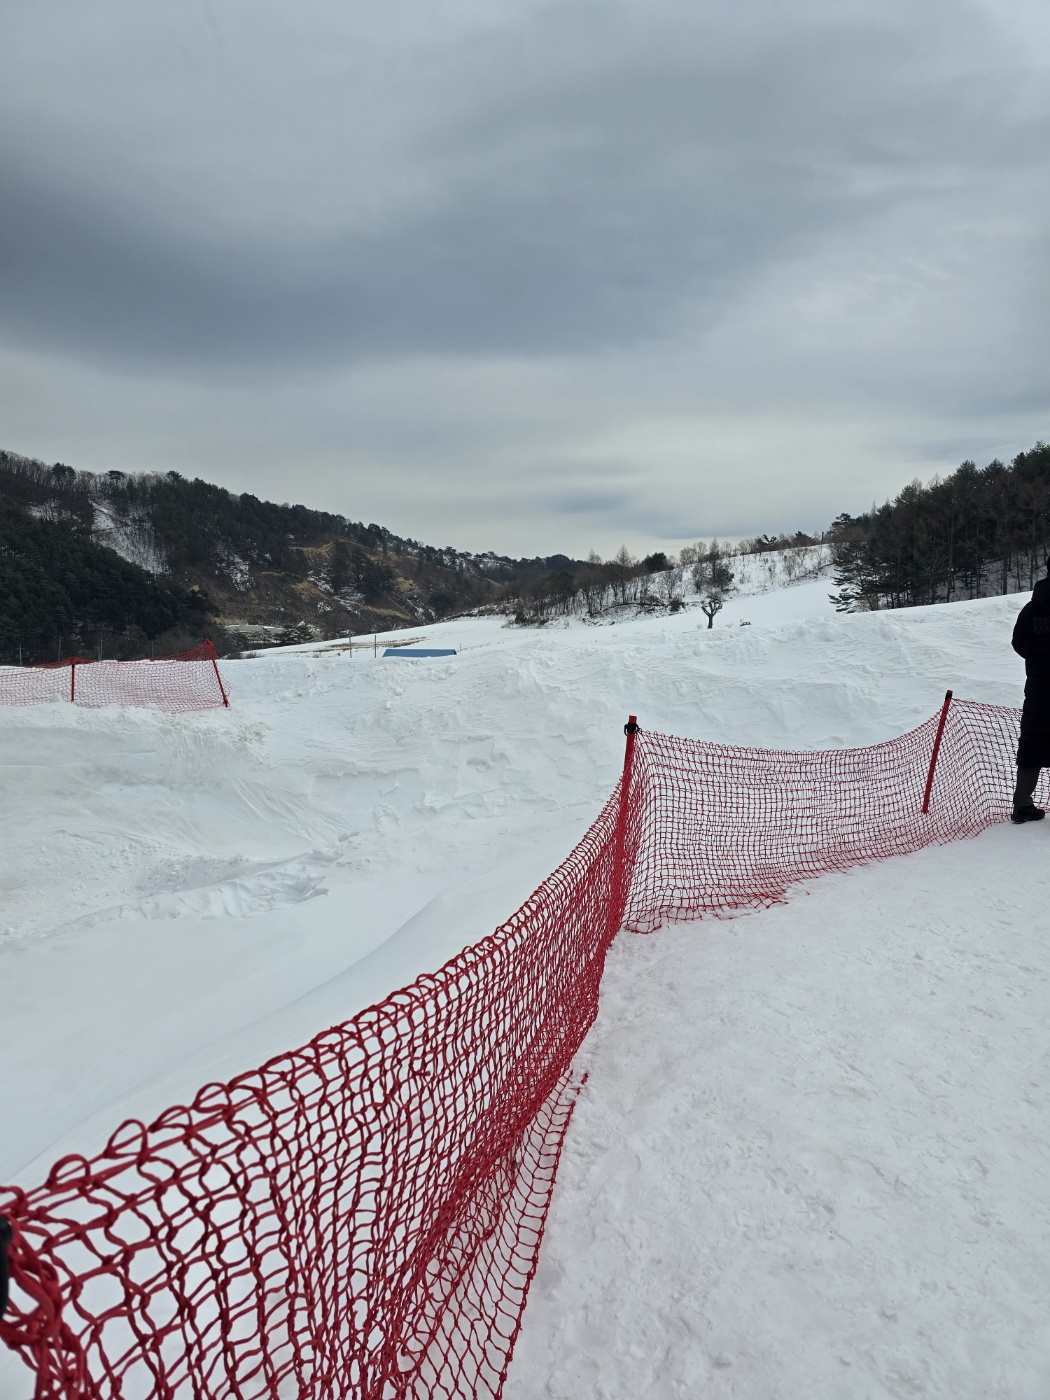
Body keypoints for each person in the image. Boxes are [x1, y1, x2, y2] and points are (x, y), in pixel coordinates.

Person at [1011, 575, 1050, 822]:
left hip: (1038, 689)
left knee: (1033, 743)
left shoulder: (1031, 609)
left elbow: (1018, 643)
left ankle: (1022, 805)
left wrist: (1038, 662)